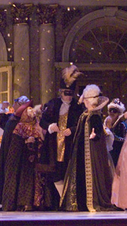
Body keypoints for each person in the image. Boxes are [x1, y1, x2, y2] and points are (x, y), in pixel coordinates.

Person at [60, 84, 115, 212]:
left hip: (90, 152)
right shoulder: (85, 114)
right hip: (81, 151)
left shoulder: (94, 115)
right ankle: (79, 202)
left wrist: (95, 135)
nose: (83, 101)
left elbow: (99, 133)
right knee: (79, 175)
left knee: (88, 176)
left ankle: (88, 201)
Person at [40, 64, 83, 202]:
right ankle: (61, 199)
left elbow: (82, 124)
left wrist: (72, 130)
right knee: (55, 173)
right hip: (54, 146)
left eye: (71, 94)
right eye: (66, 93)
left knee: (69, 172)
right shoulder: (53, 104)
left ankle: (69, 200)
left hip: (70, 146)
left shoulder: (78, 107)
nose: (68, 97)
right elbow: (43, 121)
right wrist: (51, 126)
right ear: (61, 92)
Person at [1, 105, 47, 211]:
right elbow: (15, 144)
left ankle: (36, 203)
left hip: (35, 158)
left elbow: (43, 139)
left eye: (32, 109)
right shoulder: (20, 126)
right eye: (29, 110)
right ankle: (23, 203)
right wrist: (25, 141)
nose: (31, 111)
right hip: (23, 160)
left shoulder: (37, 125)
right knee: (24, 181)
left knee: (36, 182)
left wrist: (38, 139)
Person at [0, 95, 32, 208]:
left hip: (19, 152)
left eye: (15, 103)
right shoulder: (11, 117)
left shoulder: (23, 120)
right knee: (7, 174)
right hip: (8, 149)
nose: (13, 105)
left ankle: (14, 203)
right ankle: (6, 202)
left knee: (16, 175)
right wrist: (2, 108)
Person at [104, 98, 127, 166]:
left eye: (115, 111)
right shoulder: (105, 122)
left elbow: (125, 140)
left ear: (119, 113)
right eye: (110, 110)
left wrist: (112, 135)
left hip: (118, 152)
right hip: (107, 152)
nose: (112, 112)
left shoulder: (122, 125)